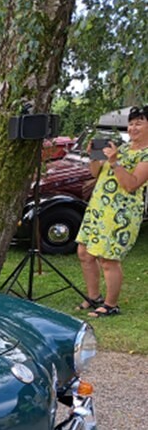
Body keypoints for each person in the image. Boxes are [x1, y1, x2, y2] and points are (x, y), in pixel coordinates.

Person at [75, 105, 148, 317]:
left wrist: (115, 163)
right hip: (98, 208)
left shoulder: (145, 154)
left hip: (121, 214)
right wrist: (94, 157)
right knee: (84, 252)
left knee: (108, 259)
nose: (133, 128)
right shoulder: (122, 148)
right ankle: (94, 297)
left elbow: (131, 184)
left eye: (139, 123)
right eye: (131, 124)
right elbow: (96, 173)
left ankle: (111, 305)